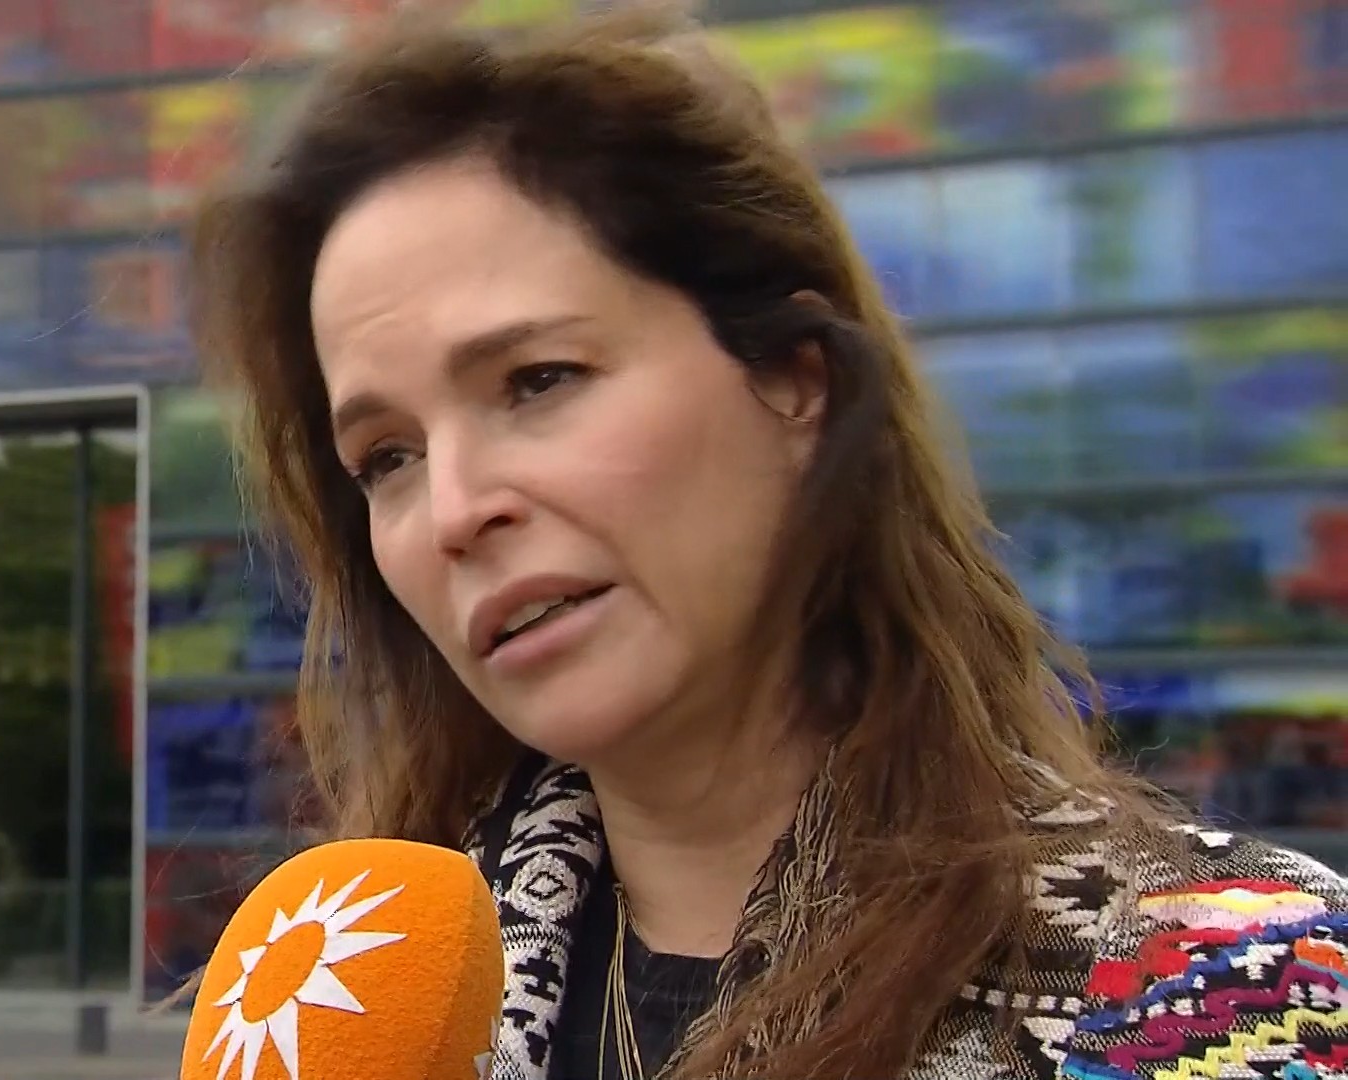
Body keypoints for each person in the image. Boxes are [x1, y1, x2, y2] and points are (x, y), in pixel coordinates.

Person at [185, 8, 1348, 1080]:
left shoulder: (1229, 993)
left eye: (538, 380)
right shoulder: (356, 1010)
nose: (454, 511)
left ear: (794, 383)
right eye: (387, 456)